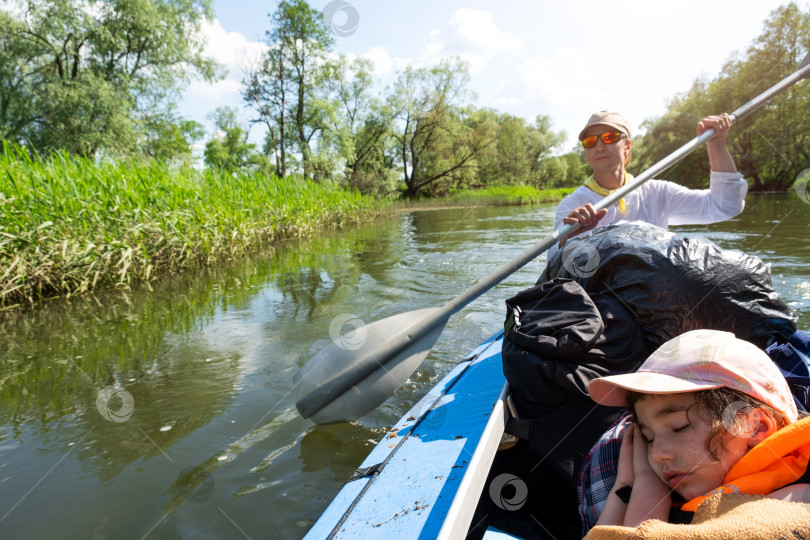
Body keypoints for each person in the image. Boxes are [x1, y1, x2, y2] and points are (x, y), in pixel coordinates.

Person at [582, 329, 810, 536]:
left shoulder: (796, 499)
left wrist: (646, 485)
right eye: (648, 438)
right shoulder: (680, 499)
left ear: (755, 427)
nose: (657, 455)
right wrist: (632, 483)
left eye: (679, 426)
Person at [552, 111, 747, 253]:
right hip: (602, 300)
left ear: (627, 146)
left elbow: (724, 206)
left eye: (609, 137)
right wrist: (570, 238)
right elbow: (554, 262)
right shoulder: (572, 205)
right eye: (590, 142)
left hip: (656, 296)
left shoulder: (658, 192)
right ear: (586, 151)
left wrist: (716, 145)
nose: (600, 146)